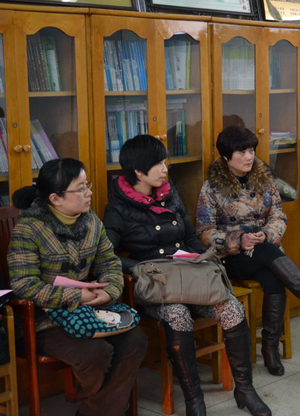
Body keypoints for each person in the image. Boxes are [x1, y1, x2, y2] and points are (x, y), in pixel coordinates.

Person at [103, 135, 270, 416]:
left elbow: (191, 236)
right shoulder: (118, 208)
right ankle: (194, 400)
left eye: (165, 161)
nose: (165, 168)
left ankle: (245, 389)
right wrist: (141, 268)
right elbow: (107, 255)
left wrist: (202, 258)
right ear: (138, 171)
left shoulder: (170, 194)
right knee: (177, 313)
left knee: (232, 308)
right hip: (158, 287)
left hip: (190, 276)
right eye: (158, 164)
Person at [8, 158, 148, 416]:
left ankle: (92, 411)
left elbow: (110, 263)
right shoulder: (29, 229)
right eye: (81, 188)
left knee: (135, 341)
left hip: (90, 311)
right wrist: (75, 296)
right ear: (55, 198)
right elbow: (24, 284)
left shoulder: (91, 221)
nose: (89, 193)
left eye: (88, 185)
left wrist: (108, 291)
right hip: (44, 320)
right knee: (95, 353)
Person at [196, 126, 300, 378]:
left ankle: (270, 348)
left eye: (251, 150)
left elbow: (278, 216)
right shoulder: (211, 188)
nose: (249, 156)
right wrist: (238, 240)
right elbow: (204, 231)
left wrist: (267, 234)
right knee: (268, 257)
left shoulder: (265, 180)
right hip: (231, 257)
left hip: (264, 251)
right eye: (242, 152)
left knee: (273, 277)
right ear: (226, 157)